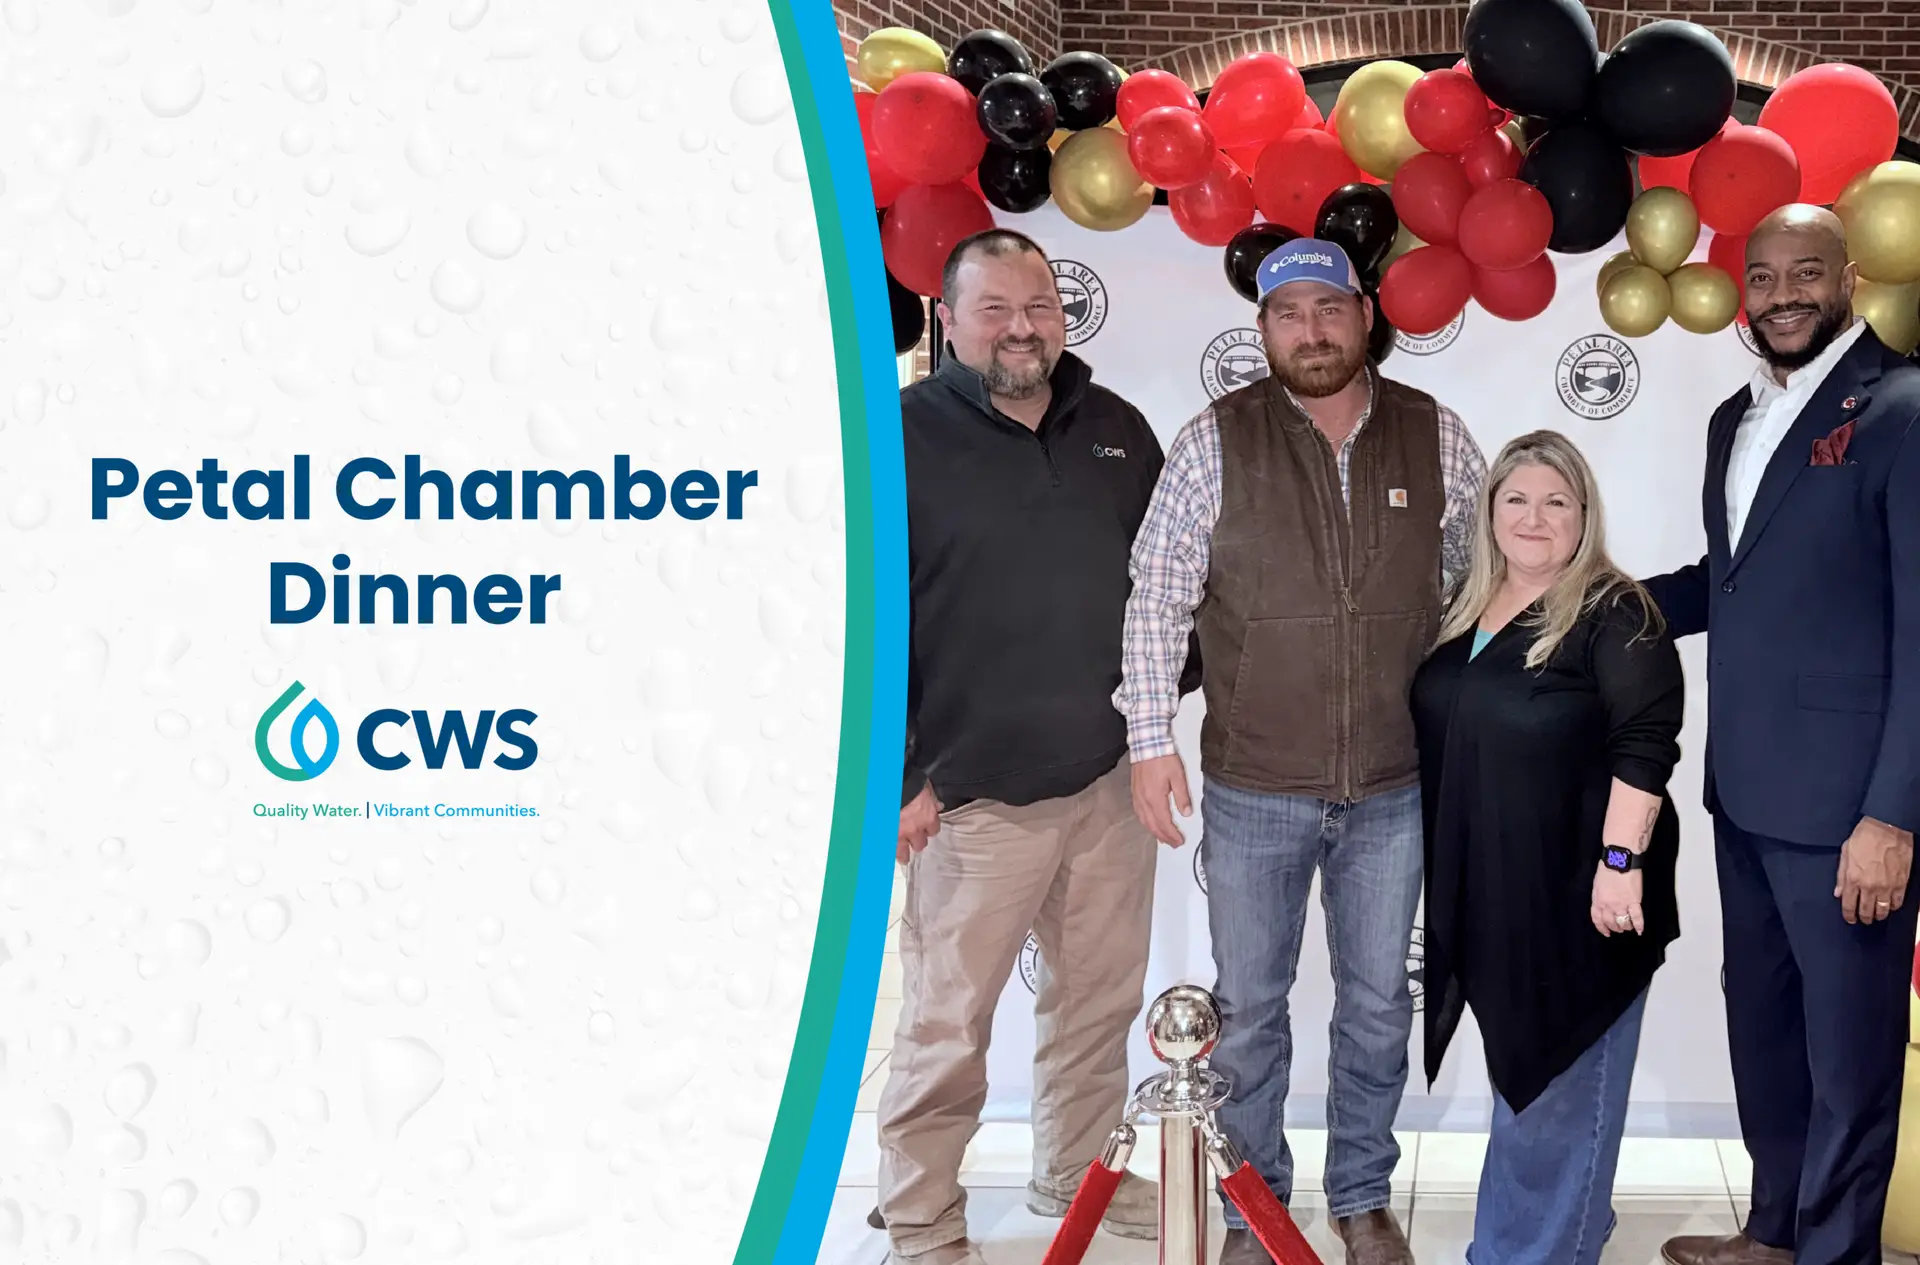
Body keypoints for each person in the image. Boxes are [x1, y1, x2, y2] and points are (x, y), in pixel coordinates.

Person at [1118, 238, 1488, 1265]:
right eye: (1290, 314)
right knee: (1248, 1014)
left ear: (1367, 315)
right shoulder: (1212, 440)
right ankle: (1253, 1204)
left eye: (1331, 308)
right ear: (1263, 329)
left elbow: (1475, 587)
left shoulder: (1436, 436)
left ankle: (1363, 1193)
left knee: (1378, 1004)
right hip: (1253, 786)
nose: (1313, 329)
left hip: (1395, 785)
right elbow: (1158, 599)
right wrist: (1152, 739)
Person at [879, 228, 1198, 1265]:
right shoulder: (900, 437)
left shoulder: (1115, 427)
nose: (1023, 329)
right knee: (946, 1024)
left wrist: (1155, 717)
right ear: (950, 318)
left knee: (1096, 1000)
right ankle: (922, 1218)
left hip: (1106, 783)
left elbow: (1169, 585)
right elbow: (861, 619)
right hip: (968, 798)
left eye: (1041, 308)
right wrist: (903, 776)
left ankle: (1073, 1171)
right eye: (996, 310)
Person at [1641, 204, 1919, 1265]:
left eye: (1808, 271)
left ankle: (1836, 1252)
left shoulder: (1902, 408)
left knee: (1849, 1056)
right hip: (1745, 791)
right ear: (1742, 289)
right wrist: (1592, 601)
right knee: (1764, 1029)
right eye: (1764, 277)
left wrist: (1892, 812)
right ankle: (1773, 1230)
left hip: (1851, 808)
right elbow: (1733, 580)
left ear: (1849, 275)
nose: (1785, 293)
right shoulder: (1735, 417)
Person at [1411, 430, 1685, 1264]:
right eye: (1517, 499)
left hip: (1583, 899)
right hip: (1498, 894)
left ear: (1584, 515)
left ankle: (1524, 1253)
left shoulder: (1614, 609)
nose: (1535, 517)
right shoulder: (1466, 606)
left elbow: (1647, 741)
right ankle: (1537, 1239)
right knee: (1523, 1091)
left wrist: (1618, 866)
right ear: (1490, 511)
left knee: (1558, 1093)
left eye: (1556, 501)